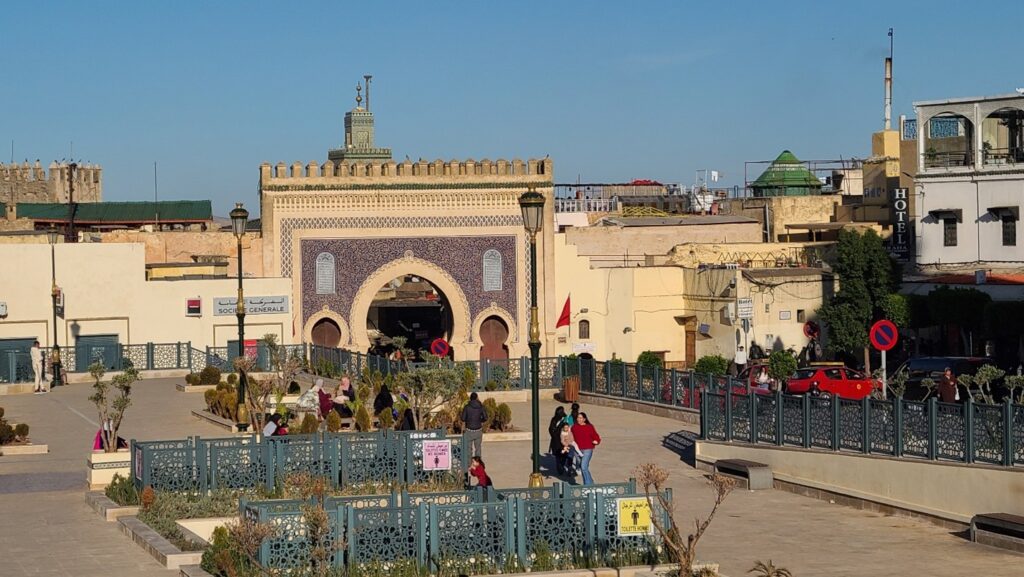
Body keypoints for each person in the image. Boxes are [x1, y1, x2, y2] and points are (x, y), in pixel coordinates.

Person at [571, 412, 601, 485]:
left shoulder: (589, 427)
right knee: (583, 468)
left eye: (580, 418)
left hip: (588, 449)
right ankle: (591, 483)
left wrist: (596, 441)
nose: (579, 419)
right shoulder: (574, 427)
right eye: (578, 418)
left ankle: (587, 485)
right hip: (577, 450)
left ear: (584, 419)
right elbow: (569, 437)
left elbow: (596, 436)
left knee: (583, 467)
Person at [461, 392, 488, 458]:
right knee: (478, 448)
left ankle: (469, 463)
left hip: (469, 430)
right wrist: (480, 421)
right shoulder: (481, 407)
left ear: (470, 398)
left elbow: (463, 418)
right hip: (478, 430)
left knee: (468, 449)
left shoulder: (467, 407)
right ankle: (477, 463)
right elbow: (485, 418)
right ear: (477, 398)